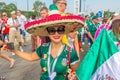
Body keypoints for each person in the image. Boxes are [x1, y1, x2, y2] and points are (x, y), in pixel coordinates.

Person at [10, 4, 85, 80]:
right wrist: (14, 51)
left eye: (60, 29)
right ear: (47, 32)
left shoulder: (70, 52)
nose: (56, 33)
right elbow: (31, 57)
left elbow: (74, 71)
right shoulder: (43, 48)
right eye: (52, 30)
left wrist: (72, 77)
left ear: (64, 31)